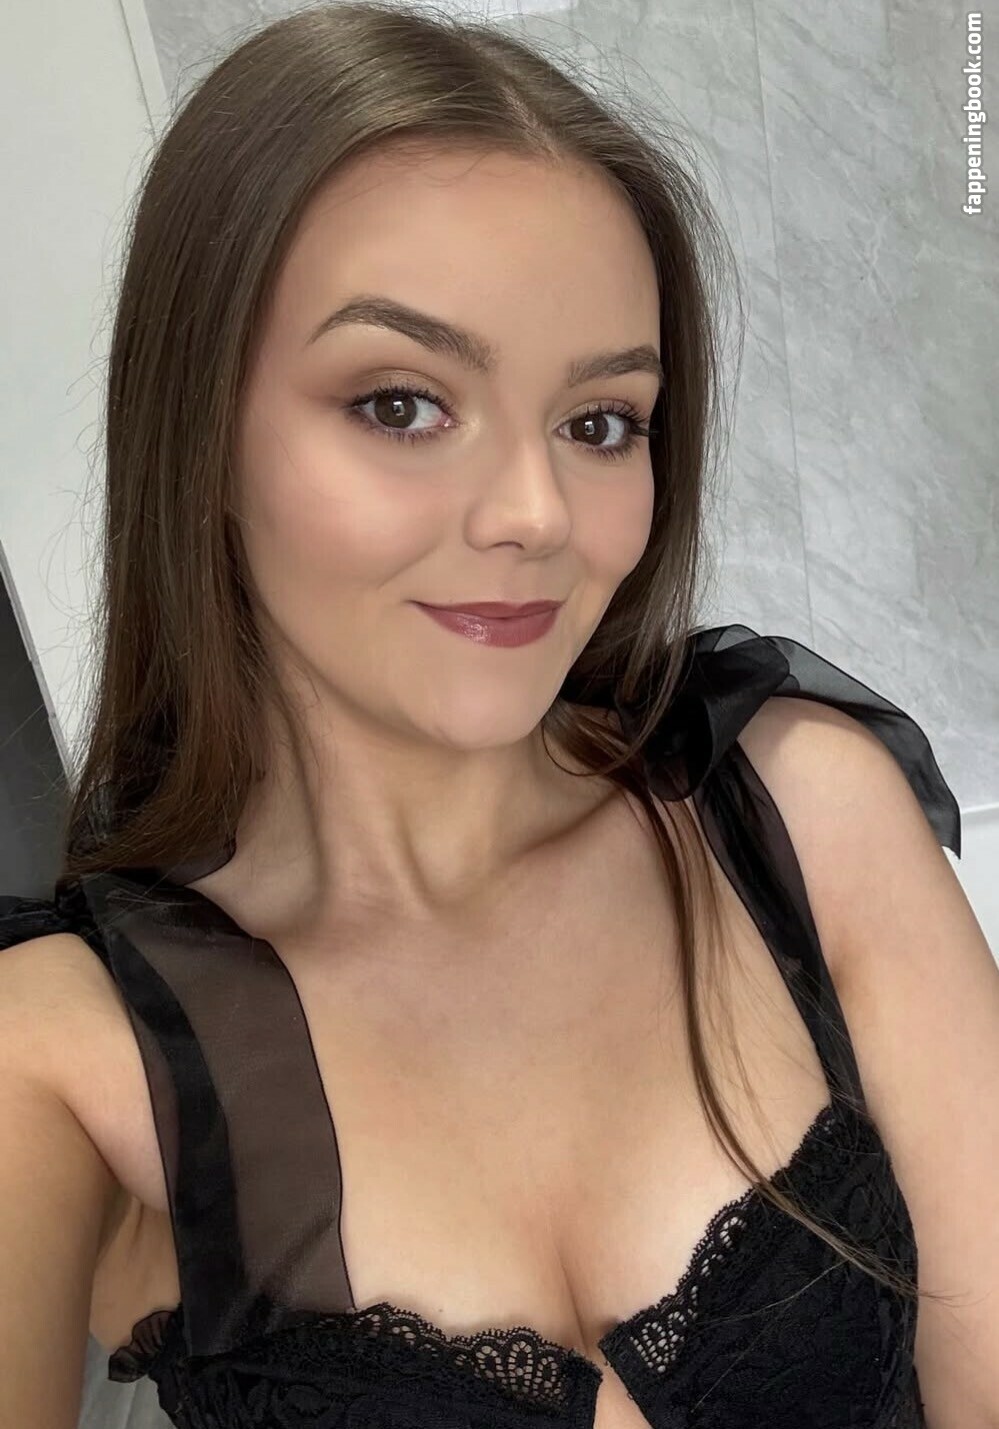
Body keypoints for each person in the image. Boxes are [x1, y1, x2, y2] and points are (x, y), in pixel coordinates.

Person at [1, 5, 996, 1428]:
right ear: (202, 431)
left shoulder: (799, 811)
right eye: (402, 404)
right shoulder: (60, 1059)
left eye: (601, 423)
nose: (535, 512)